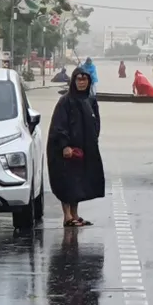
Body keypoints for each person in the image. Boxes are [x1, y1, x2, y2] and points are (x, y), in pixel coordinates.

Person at [47, 67, 105, 227]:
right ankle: (67, 216)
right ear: (73, 81)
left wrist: (92, 141)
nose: (81, 82)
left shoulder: (90, 100)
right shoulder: (65, 101)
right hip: (67, 151)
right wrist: (65, 146)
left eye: (84, 79)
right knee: (66, 182)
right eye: (78, 79)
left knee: (78, 183)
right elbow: (59, 125)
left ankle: (75, 214)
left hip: (83, 149)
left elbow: (96, 123)